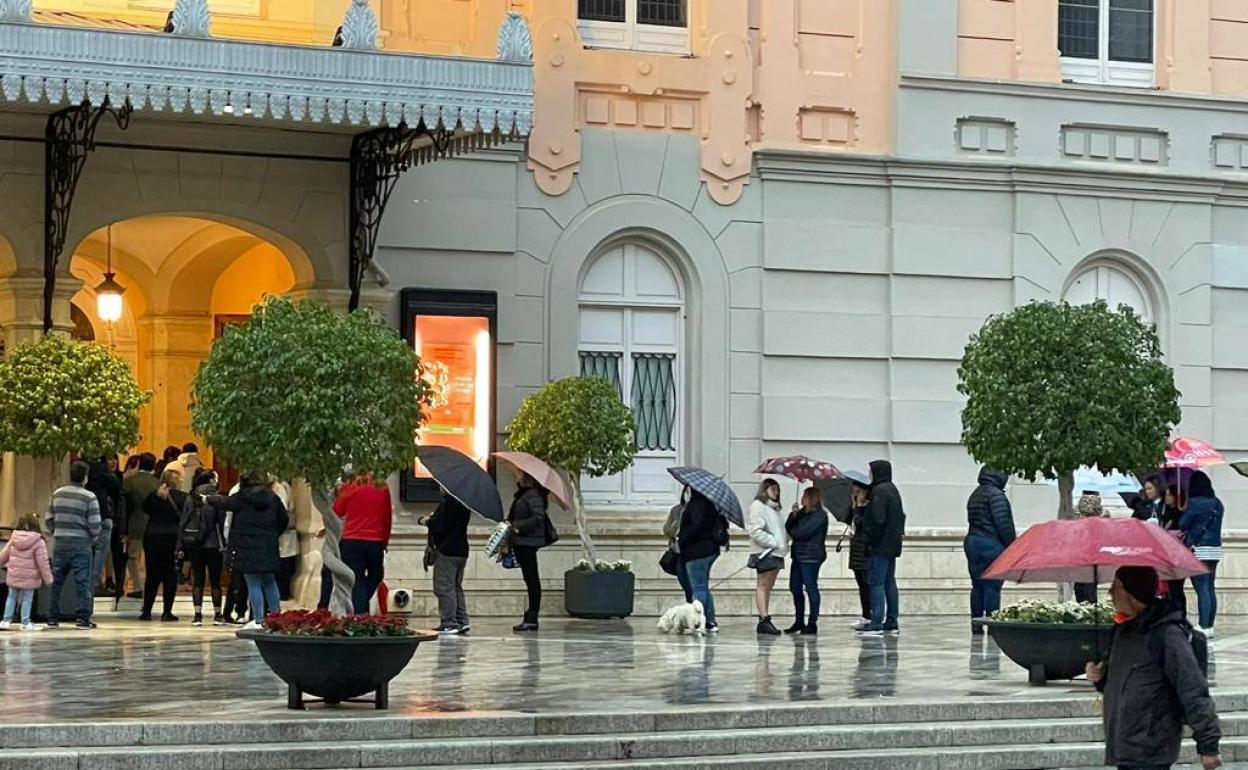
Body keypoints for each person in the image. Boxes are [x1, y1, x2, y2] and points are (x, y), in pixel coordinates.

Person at [1086, 566, 1221, 770]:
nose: (1110, 593)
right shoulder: (1121, 632)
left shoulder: (1167, 634)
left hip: (1151, 747)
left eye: (1116, 587)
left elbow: (1192, 687)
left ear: (1133, 592)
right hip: (1123, 746)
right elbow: (1121, 682)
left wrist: (1208, 745)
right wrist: (1099, 677)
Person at [209, 473, 288, 629]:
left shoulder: (242, 497)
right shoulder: (272, 497)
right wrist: (273, 534)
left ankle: (258, 619)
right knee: (270, 581)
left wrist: (206, 499)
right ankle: (276, 617)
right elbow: (283, 519)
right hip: (268, 545)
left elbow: (224, 503)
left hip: (246, 546)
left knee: (253, 583)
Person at [46, 461, 102, 629]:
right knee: (83, 583)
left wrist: (57, 531)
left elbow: (49, 519)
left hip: (61, 542)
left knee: (56, 581)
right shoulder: (89, 497)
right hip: (81, 543)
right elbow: (95, 524)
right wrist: (93, 537)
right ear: (85, 477)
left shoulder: (57, 494)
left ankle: (52, 617)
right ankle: (83, 618)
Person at [964, 466, 1016, 632]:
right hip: (991, 545)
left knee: (977, 585)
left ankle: (976, 625)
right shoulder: (996, 496)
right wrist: (1013, 546)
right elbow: (1004, 525)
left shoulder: (976, 494)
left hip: (973, 543)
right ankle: (993, 626)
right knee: (992, 586)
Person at [332, 472, 392, 614]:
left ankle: (360, 610)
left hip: (351, 540)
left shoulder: (350, 486)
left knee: (356, 579)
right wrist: (385, 541)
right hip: (375, 541)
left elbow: (337, 511)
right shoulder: (383, 487)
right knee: (376, 575)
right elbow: (387, 517)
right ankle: (361, 608)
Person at [859, 459, 905, 637]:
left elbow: (877, 519)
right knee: (889, 582)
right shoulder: (892, 489)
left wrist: (864, 511)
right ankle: (891, 619)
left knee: (876, 582)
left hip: (879, 545)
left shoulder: (879, 492)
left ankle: (877, 620)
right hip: (892, 545)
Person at [422, 489, 472, 635]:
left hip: (447, 550)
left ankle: (449, 622)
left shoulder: (449, 503)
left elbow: (440, 526)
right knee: (456, 587)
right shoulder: (464, 502)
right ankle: (461, 620)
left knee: (444, 587)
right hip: (461, 550)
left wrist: (428, 521)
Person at [1181, 471, 1223, 638]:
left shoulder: (1194, 503)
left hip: (1199, 548)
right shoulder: (1217, 502)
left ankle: (1203, 625)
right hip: (1215, 549)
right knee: (1210, 587)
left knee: (1201, 587)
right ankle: (1209, 625)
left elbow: (1183, 523)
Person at [180, 469, 225, 626]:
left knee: (198, 580)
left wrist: (181, 543)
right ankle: (217, 614)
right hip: (213, 543)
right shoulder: (217, 498)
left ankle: (197, 615)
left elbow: (183, 521)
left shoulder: (190, 498)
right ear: (212, 480)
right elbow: (221, 523)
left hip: (195, 543)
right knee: (215, 581)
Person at [140, 469, 185, 621]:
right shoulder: (182, 498)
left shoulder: (153, 496)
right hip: (172, 538)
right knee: (170, 575)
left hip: (152, 537)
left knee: (152, 575)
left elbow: (145, 508)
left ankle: (147, 611)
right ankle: (167, 611)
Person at [508, 473, 551, 632]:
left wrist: (518, 526)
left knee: (532, 579)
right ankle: (531, 617)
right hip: (522, 541)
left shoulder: (533, 495)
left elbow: (538, 517)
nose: (518, 478)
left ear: (529, 479)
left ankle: (532, 617)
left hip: (528, 542)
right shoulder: (525, 494)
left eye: (521, 476)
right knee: (530, 579)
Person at [677, 488, 723, 634]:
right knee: (703, 587)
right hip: (709, 550)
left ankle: (698, 622)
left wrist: (681, 538)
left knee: (698, 588)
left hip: (697, 551)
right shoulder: (710, 504)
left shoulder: (697, 504)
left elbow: (695, 528)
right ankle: (710, 622)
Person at [748, 478, 789, 636]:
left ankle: (765, 617)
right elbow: (755, 530)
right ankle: (763, 618)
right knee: (763, 585)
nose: (776, 492)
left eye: (777, 489)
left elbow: (780, 530)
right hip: (765, 551)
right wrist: (774, 542)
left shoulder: (775, 509)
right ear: (764, 490)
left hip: (776, 552)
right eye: (772, 489)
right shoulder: (758, 506)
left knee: (768, 587)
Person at [785, 486, 828, 635]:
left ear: (811, 498)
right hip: (798, 555)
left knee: (811, 588)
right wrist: (793, 515)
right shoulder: (802, 513)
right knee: (794, 587)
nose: (802, 498)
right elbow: (789, 527)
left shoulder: (819, 516)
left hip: (811, 556)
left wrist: (794, 529)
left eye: (805, 495)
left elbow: (800, 533)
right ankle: (799, 621)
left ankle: (812, 622)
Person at [0, 513, 54, 631]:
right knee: (27, 599)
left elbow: (4, 554)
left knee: (11, 597)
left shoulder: (14, 538)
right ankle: (25, 622)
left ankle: (5, 621)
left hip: (14, 574)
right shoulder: (39, 541)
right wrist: (48, 578)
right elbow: (43, 562)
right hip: (30, 577)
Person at [121, 452, 159, 598]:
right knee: (152, 558)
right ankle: (150, 586)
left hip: (135, 523)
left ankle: (138, 586)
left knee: (132, 557)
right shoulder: (157, 483)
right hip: (153, 524)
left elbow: (124, 505)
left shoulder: (129, 481)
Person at [85, 457, 122, 598]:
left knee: (92, 551)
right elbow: (117, 489)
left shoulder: (89, 481)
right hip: (104, 516)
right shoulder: (107, 478)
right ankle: (94, 583)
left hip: (90, 518)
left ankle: (92, 582)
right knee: (101, 550)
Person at [848, 479, 871, 628]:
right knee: (861, 585)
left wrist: (860, 508)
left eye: (858, 492)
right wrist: (854, 507)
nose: (856, 495)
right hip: (856, 552)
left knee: (866, 585)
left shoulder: (868, 509)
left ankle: (870, 614)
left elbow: (865, 527)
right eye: (853, 492)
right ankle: (865, 614)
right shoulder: (855, 510)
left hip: (864, 553)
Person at [1161, 484, 1188, 614]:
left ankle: (1180, 613)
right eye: (1166, 495)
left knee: (1177, 587)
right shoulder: (1165, 511)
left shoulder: (1181, 513)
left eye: (1169, 495)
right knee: (1170, 588)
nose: (1167, 497)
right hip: (1166, 555)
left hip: (1177, 556)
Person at [664, 487, 693, 603]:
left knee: (693, 585)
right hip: (678, 552)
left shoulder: (698, 510)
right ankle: (690, 604)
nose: (688, 494)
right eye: (687, 491)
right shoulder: (676, 510)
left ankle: (695, 607)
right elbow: (667, 530)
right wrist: (677, 523)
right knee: (684, 581)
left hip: (692, 552)